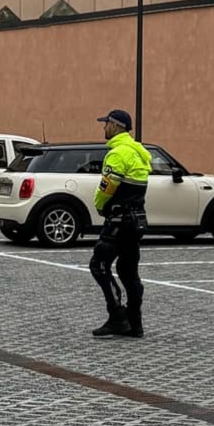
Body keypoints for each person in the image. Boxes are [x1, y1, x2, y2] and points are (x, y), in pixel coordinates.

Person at [89, 108, 150, 338]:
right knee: (128, 271)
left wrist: (99, 204)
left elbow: (108, 186)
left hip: (118, 221)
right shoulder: (139, 153)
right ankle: (135, 323)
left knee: (99, 265)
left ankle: (117, 317)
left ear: (115, 126)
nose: (104, 127)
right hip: (136, 222)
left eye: (106, 124)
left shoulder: (117, 153)